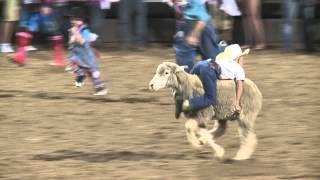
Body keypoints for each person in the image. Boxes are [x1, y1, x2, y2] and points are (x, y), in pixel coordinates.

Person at [175, 44, 249, 119]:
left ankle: (180, 97)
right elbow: (239, 84)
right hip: (209, 70)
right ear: (239, 58)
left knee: (189, 82)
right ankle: (184, 104)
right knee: (210, 98)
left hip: (202, 64)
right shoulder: (239, 69)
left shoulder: (222, 60)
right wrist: (237, 103)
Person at [166, 0, 221, 72]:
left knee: (211, 60)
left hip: (202, 27)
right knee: (183, 61)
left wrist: (194, 35)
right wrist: (180, 30)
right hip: (188, 23)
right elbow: (178, 12)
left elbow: (202, 20)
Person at [67, 7, 108, 96]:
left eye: (75, 19)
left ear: (80, 20)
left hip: (86, 56)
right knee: (73, 66)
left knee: (92, 73)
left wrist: (75, 33)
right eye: (72, 19)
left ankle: (100, 88)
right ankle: (82, 75)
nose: (73, 22)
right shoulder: (74, 29)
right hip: (78, 54)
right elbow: (71, 41)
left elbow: (82, 41)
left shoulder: (84, 30)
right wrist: (72, 36)